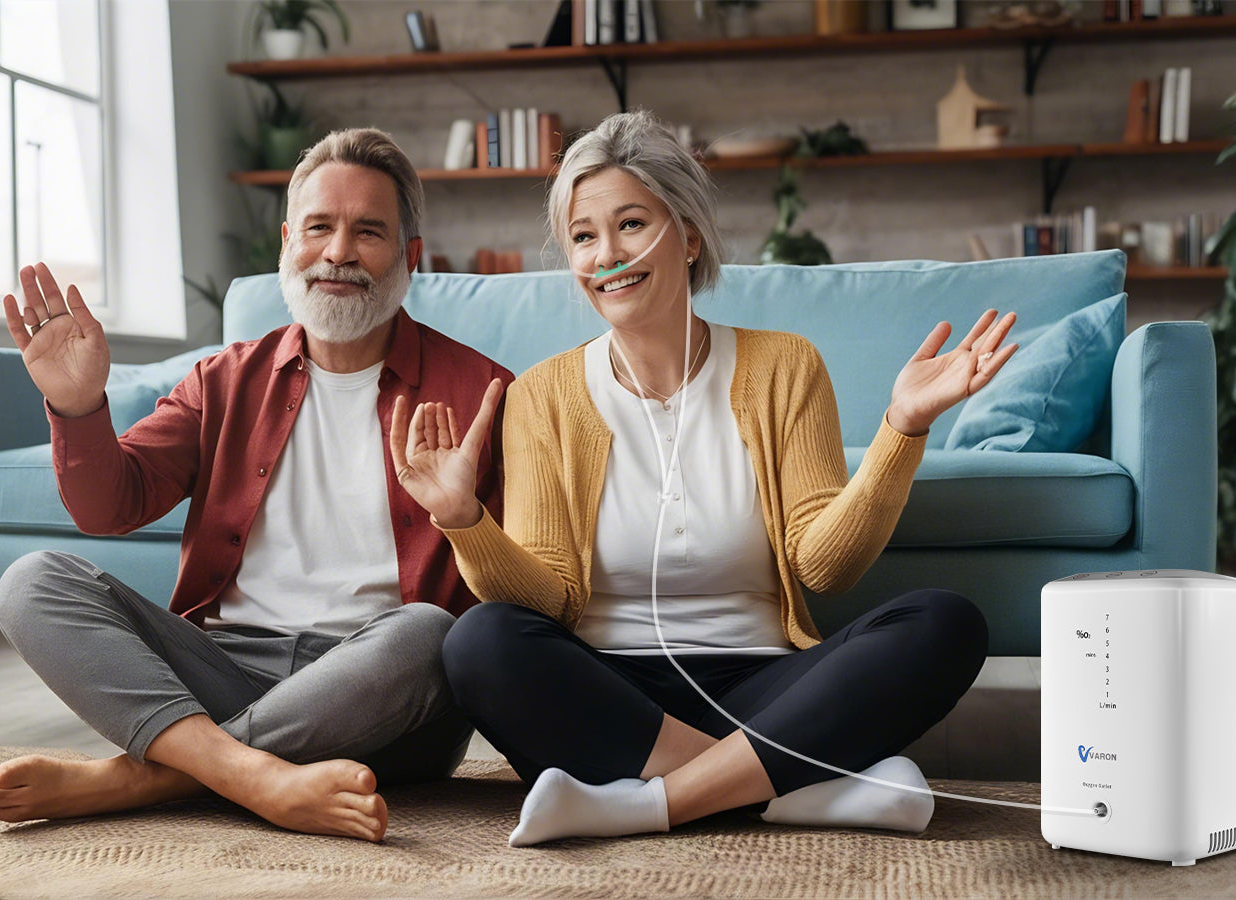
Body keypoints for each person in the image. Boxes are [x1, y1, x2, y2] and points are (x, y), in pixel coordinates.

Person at [389, 110, 1016, 846]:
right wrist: (466, 522)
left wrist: (901, 429)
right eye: (584, 237)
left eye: (630, 223)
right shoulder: (543, 396)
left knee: (945, 623)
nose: (606, 255)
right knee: (478, 642)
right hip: (612, 695)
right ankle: (791, 789)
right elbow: (551, 596)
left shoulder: (786, 366)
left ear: (687, 235)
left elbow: (825, 565)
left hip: (769, 691)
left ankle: (649, 803)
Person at [0, 128, 512, 843]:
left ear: (411, 257)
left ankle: (150, 776)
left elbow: (516, 590)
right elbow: (112, 506)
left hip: (385, 694)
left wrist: (465, 516)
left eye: (369, 232)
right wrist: (78, 407)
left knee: (429, 634)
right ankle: (256, 777)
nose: (339, 252)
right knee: (30, 582)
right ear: (290, 241)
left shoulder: (482, 392)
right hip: (225, 663)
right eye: (319, 227)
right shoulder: (225, 379)